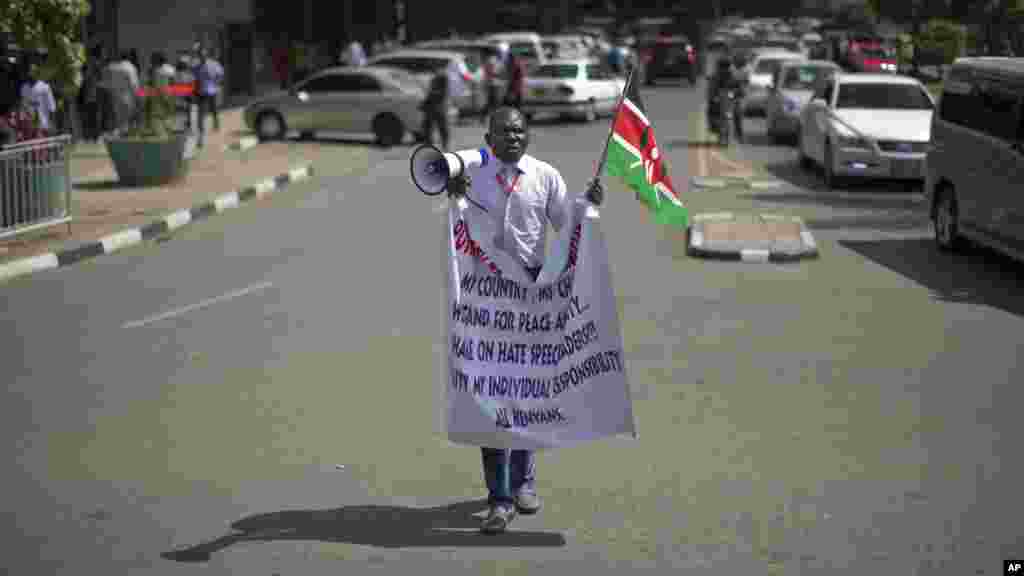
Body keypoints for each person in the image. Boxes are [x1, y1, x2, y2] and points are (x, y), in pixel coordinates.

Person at [445, 106, 604, 534]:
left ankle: (524, 483)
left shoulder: (545, 176)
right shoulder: (470, 173)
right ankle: (498, 498)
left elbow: (566, 227)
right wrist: (453, 194)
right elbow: (458, 225)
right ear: (488, 136)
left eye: (519, 130)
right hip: (486, 297)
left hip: (532, 297)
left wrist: (586, 207)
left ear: (527, 135)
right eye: (504, 130)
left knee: (527, 393)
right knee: (490, 397)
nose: (513, 136)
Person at [193, 47, 224, 147]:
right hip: (202, 92)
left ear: (206, 55)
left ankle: (216, 123)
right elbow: (195, 78)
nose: (201, 57)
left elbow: (220, 74)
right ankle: (201, 137)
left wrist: (216, 83)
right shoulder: (197, 66)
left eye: (202, 55)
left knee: (214, 109)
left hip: (211, 91)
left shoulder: (213, 64)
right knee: (201, 115)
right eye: (200, 55)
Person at [706, 56, 743, 138]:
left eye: (726, 66)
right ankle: (713, 126)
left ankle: (738, 132)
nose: (724, 69)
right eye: (722, 66)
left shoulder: (734, 76)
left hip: (730, 99)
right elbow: (711, 89)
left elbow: (740, 88)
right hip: (719, 99)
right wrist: (712, 97)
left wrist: (738, 93)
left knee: (738, 111)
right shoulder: (714, 77)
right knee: (710, 109)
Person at [105, 51, 140, 133]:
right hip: (127, 97)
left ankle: (119, 136)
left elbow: (107, 83)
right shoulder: (130, 68)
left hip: (114, 97)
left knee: (119, 121)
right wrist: (138, 97)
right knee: (128, 121)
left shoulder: (111, 67)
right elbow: (134, 84)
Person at [421, 66, 450, 151]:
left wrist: (432, 93)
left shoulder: (443, 78)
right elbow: (430, 93)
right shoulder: (434, 79)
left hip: (439, 106)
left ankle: (445, 146)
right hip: (431, 106)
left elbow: (443, 93)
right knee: (427, 127)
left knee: (442, 127)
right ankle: (429, 146)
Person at [20, 65, 57, 133]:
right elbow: (23, 105)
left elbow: (52, 107)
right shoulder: (24, 88)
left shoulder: (45, 86)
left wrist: (52, 124)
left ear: (37, 73)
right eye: (29, 72)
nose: (30, 74)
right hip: (29, 126)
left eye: (33, 72)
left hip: (44, 123)